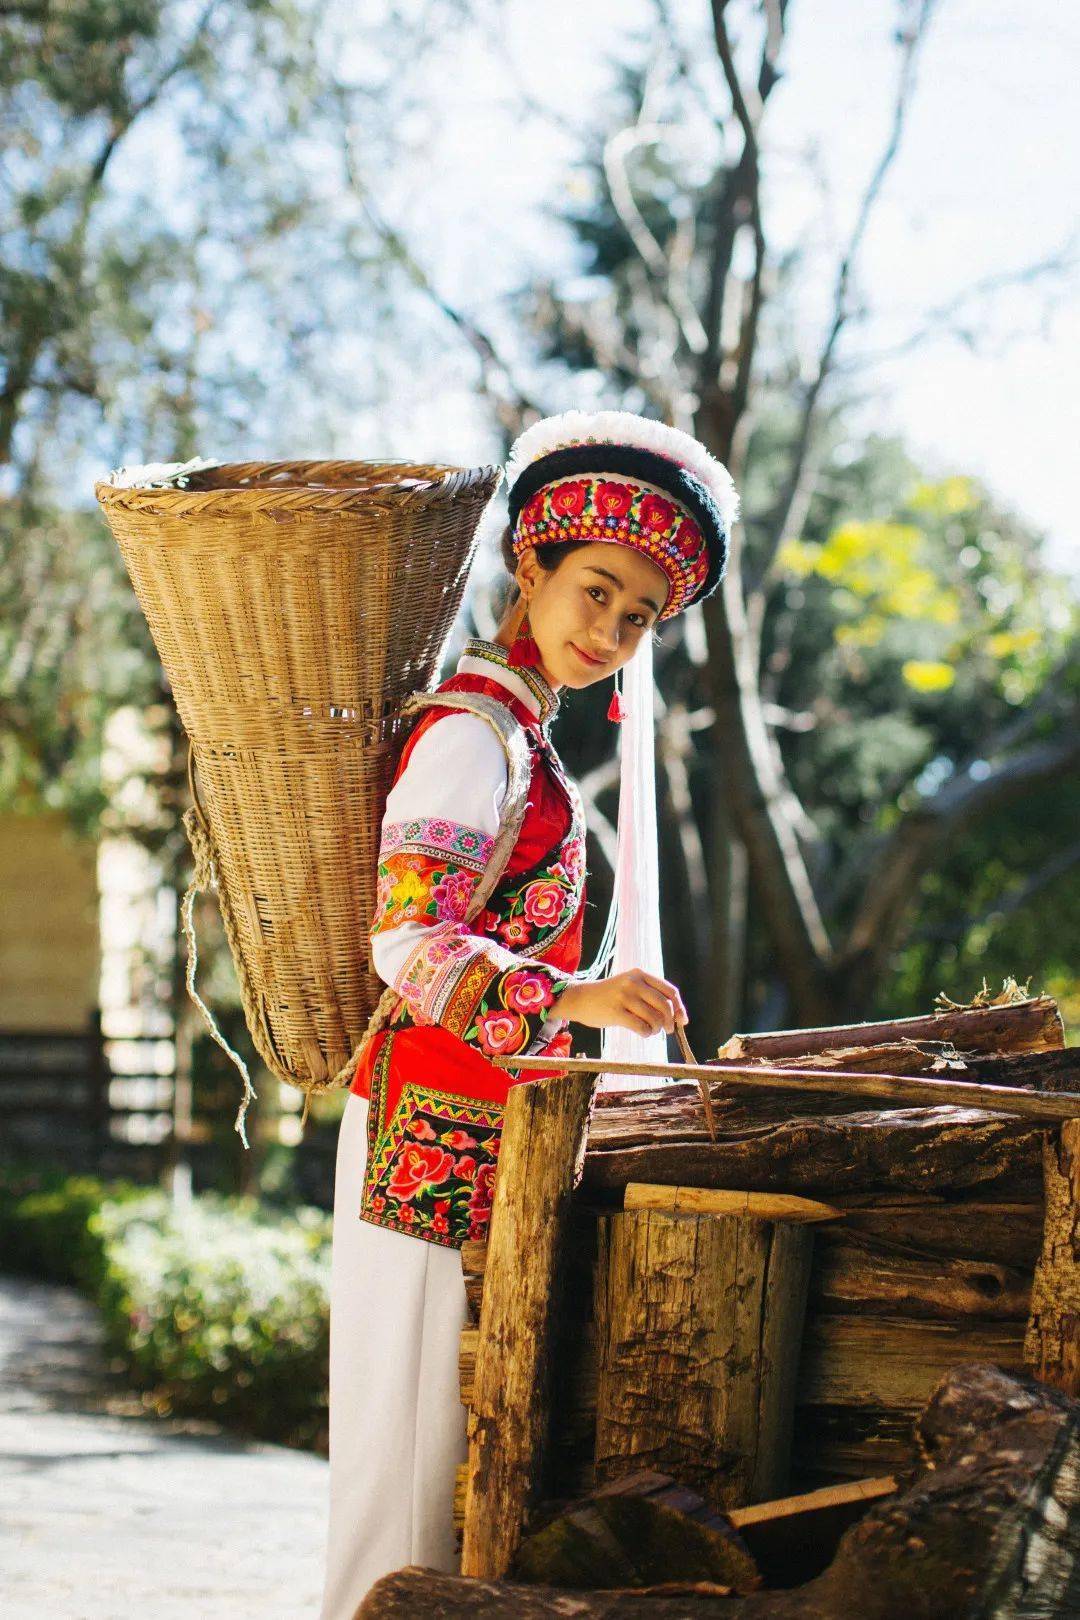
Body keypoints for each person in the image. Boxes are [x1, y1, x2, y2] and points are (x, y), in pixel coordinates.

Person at [318, 409, 738, 1620]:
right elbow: (406, 940)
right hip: (417, 1139)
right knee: (404, 1457)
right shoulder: (471, 735)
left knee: (453, 1457)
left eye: (637, 618)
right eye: (595, 591)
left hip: (475, 1130)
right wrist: (573, 995)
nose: (606, 632)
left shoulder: (524, 740)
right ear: (532, 567)